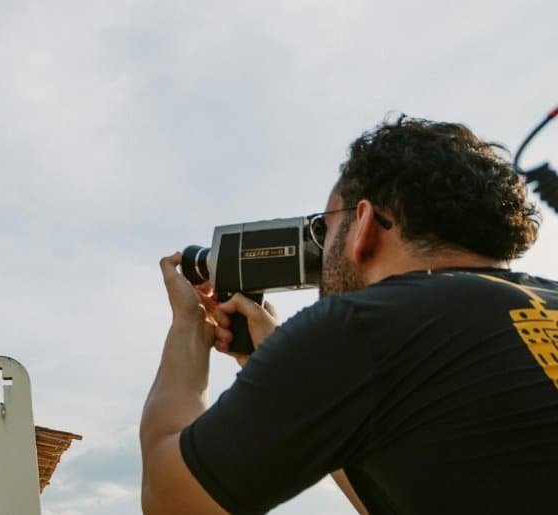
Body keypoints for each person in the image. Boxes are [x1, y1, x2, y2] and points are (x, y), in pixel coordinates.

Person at [139, 116, 558, 514]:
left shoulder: (364, 325)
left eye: (325, 227)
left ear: (363, 224)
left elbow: (170, 499)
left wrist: (189, 325)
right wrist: (295, 381)